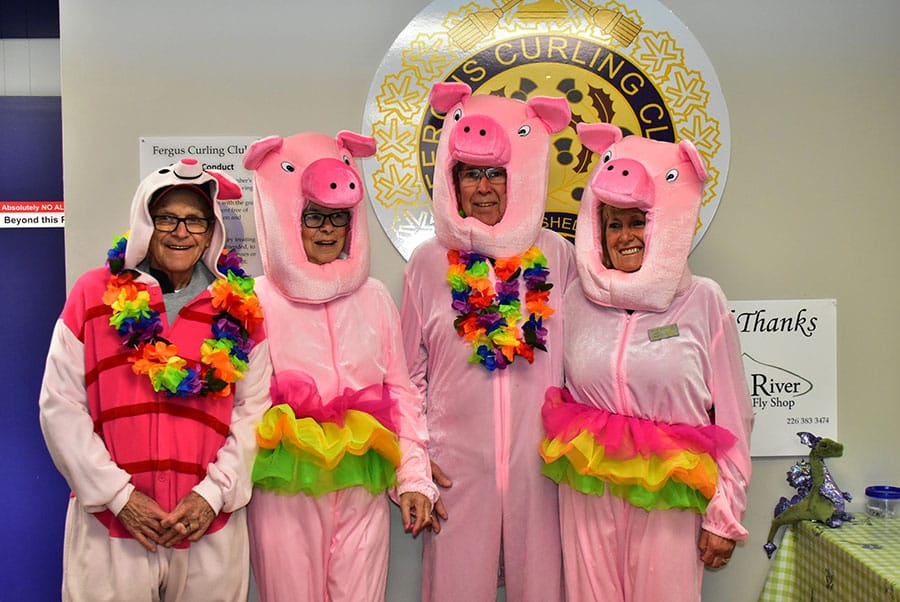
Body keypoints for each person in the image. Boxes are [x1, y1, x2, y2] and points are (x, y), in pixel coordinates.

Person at [38, 158, 270, 601]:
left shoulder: (240, 309)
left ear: (211, 231)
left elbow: (254, 411)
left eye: (195, 220)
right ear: (145, 221)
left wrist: (213, 495)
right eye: (167, 218)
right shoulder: (92, 295)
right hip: (111, 526)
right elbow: (59, 405)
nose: (181, 231)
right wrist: (119, 496)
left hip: (208, 527)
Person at [540, 123, 753, 601]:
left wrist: (725, 513)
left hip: (670, 493)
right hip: (589, 489)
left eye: (638, 221)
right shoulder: (576, 299)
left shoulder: (703, 300)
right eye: (613, 224)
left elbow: (736, 417)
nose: (626, 236)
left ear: (663, 225)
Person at [242, 131, 437, 602]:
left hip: (361, 478)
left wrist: (414, 477)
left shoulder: (372, 296)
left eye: (338, 218)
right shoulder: (256, 299)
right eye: (314, 217)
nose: (328, 230)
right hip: (287, 483)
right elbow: (241, 405)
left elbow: (401, 392)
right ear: (291, 219)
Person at [401, 82, 574, 601]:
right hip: (456, 479)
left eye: (495, 173)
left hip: (541, 478)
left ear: (517, 177)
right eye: (470, 174)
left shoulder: (557, 256)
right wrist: (413, 463)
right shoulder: (428, 263)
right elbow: (406, 377)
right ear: (452, 181)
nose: (482, 187)